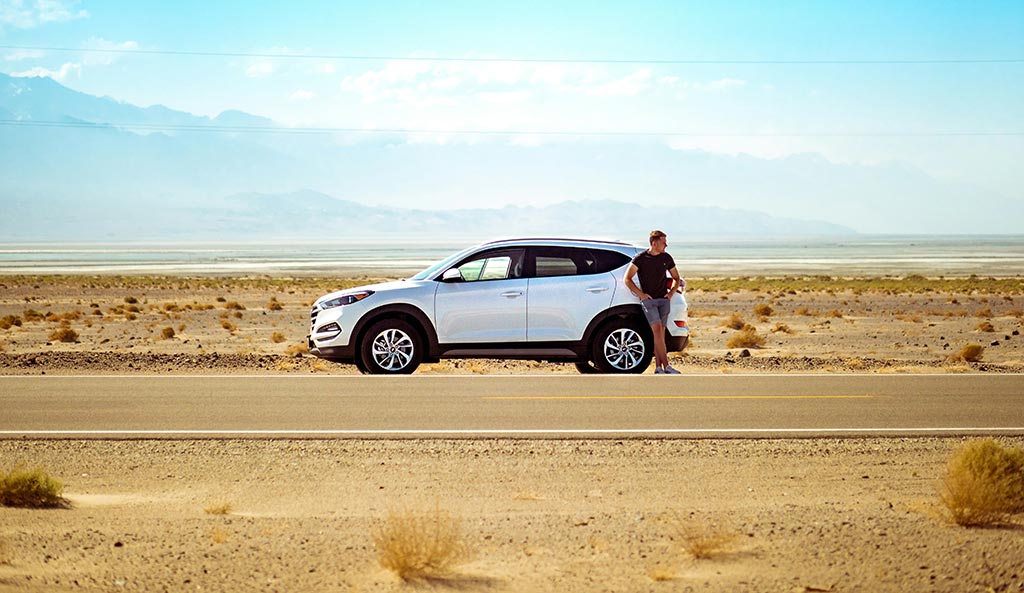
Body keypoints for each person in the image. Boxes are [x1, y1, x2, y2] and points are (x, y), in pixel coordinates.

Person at [624, 230, 683, 374]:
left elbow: (677, 277)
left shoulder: (666, 258)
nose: (666, 245)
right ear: (654, 242)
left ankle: (658, 367)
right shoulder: (640, 259)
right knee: (657, 330)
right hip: (649, 302)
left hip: (663, 301)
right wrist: (641, 295)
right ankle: (667, 366)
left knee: (660, 334)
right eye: (664, 242)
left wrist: (670, 294)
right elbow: (627, 278)